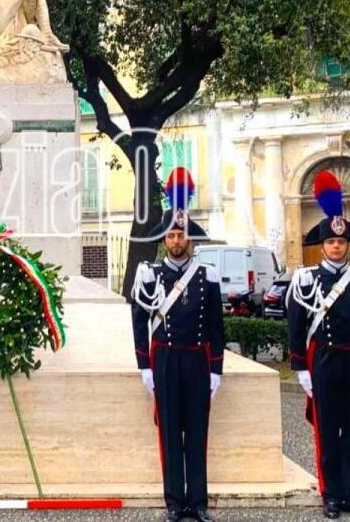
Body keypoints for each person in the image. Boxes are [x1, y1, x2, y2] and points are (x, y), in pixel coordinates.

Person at [287, 171, 350, 521]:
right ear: (323, 245)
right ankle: (331, 495)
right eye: (331, 242)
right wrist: (300, 367)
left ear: (348, 245)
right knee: (328, 432)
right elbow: (297, 327)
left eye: (341, 242)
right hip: (325, 361)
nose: (336, 247)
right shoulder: (306, 279)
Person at [131, 167, 225, 522]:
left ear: (190, 239)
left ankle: (197, 502)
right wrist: (144, 366)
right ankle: (174, 502)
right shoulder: (149, 274)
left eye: (181, 235)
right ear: (164, 239)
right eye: (170, 235)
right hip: (166, 359)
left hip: (198, 360)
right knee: (170, 432)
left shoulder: (207, 275)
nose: (175, 241)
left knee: (197, 432)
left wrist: (216, 370)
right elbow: (139, 322)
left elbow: (216, 326)